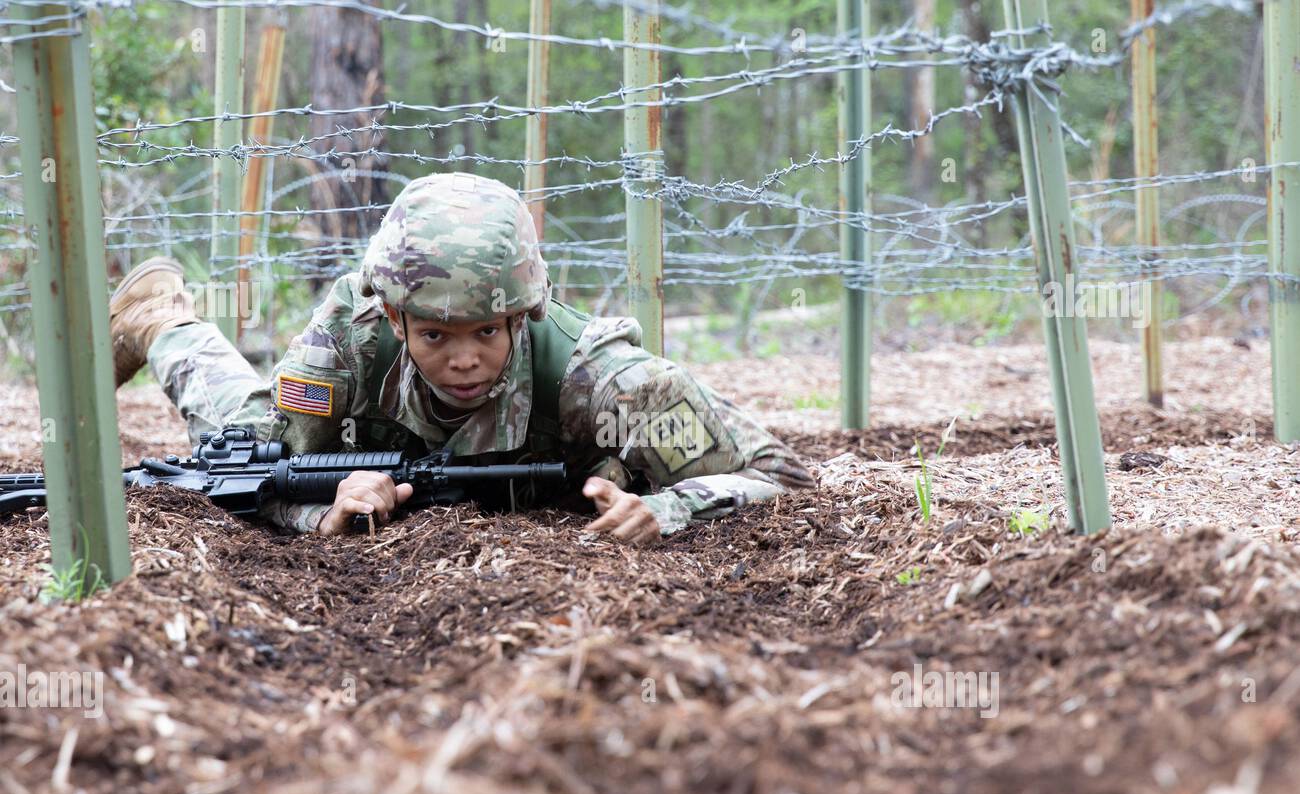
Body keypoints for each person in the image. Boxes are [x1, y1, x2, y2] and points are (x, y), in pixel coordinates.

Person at [107, 172, 814, 542]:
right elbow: (257, 477)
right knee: (239, 428)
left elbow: (778, 474)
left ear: (521, 315)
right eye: (436, 336)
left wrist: (669, 508)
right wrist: (322, 515)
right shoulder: (348, 345)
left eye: (486, 332)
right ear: (394, 316)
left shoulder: (607, 384)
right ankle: (159, 318)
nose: (464, 360)